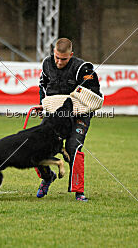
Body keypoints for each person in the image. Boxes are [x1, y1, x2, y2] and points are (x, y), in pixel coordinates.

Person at [35, 38, 101, 202]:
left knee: (73, 148)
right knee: (36, 146)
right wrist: (43, 105)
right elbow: (43, 87)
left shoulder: (83, 68)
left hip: (78, 116)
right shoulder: (46, 64)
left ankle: (79, 192)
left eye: (63, 59)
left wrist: (75, 106)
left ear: (71, 55)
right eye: (56, 57)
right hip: (54, 115)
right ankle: (47, 177)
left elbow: (94, 95)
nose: (58, 62)